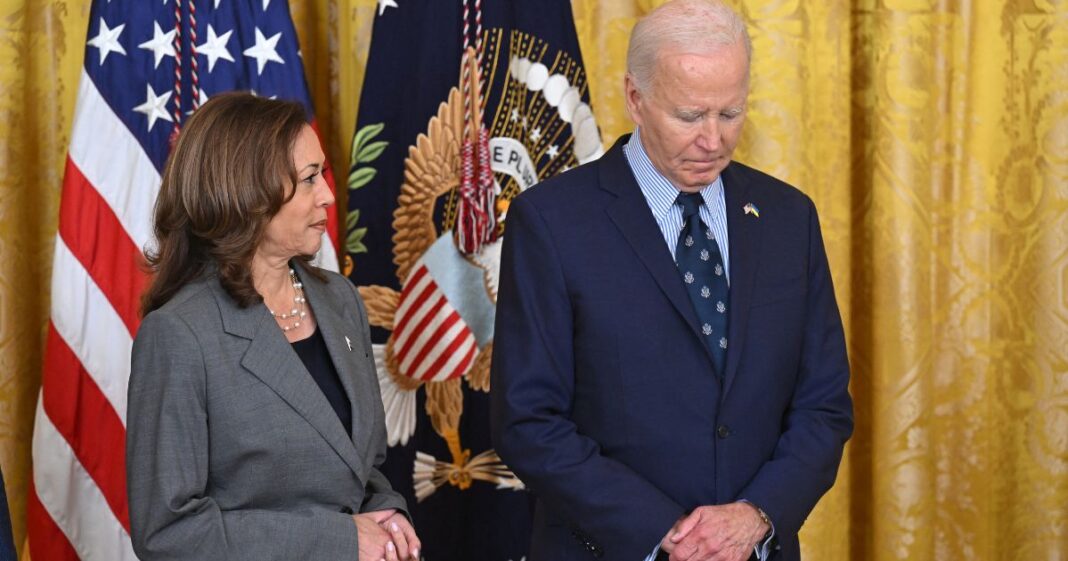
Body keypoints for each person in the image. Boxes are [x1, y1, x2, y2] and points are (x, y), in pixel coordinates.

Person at [490, 1, 853, 560]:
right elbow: (528, 421)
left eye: (731, 113)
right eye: (690, 116)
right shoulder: (552, 222)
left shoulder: (788, 218)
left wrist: (755, 517)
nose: (714, 140)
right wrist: (665, 533)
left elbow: (824, 406)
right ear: (636, 98)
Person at [127, 92, 421, 561]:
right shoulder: (180, 335)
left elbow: (359, 471)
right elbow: (168, 533)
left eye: (321, 174)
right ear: (247, 194)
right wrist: (340, 541)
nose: (328, 193)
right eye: (309, 179)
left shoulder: (339, 299)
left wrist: (388, 515)